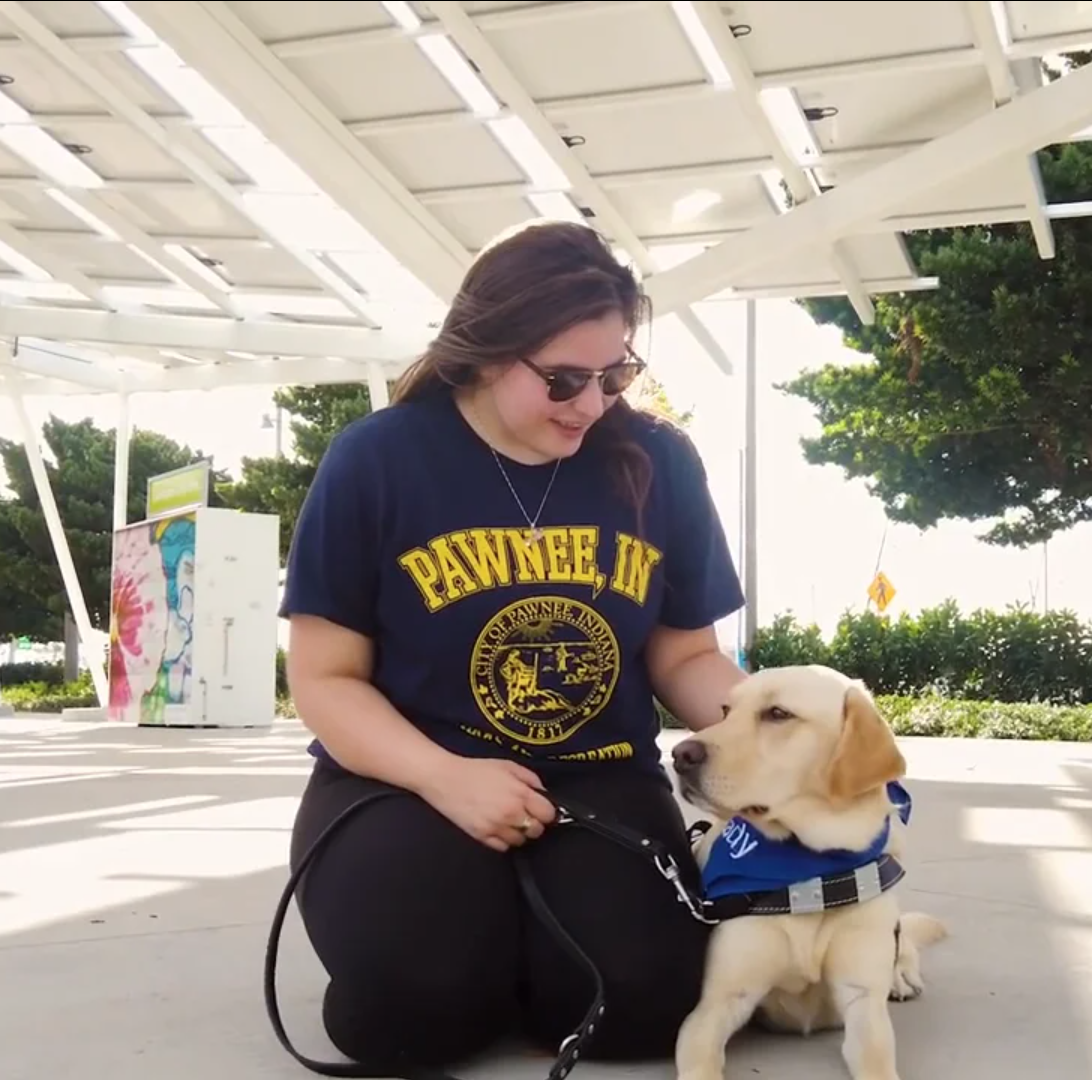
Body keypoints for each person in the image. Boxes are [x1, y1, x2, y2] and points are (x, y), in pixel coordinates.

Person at [280, 219, 749, 1071]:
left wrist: (780, 731)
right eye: (565, 379)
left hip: (599, 774)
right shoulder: (376, 459)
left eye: (616, 373)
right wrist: (445, 777)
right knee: (408, 1011)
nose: (593, 404)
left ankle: (524, 951)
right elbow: (323, 678)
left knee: (645, 1006)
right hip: (402, 778)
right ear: (490, 351)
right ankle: (477, 952)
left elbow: (684, 656)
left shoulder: (658, 462)